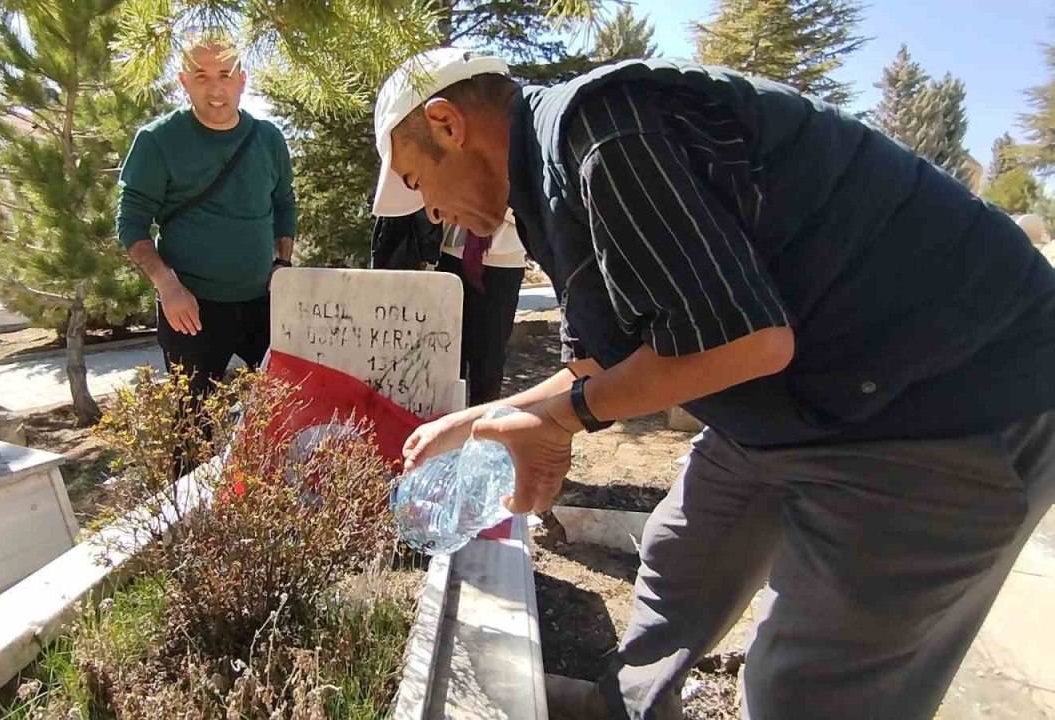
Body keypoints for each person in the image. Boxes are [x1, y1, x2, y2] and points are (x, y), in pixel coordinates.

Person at [370, 48, 1055, 720]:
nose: (429, 214)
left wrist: (563, 420)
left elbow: (742, 341)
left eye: (413, 180)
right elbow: (601, 368)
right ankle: (627, 705)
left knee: (808, 685)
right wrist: (480, 419)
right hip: (806, 393)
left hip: (939, 400)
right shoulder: (550, 188)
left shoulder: (604, 127)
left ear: (447, 125)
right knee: (684, 560)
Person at [117, 32, 296, 399]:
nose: (215, 88)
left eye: (225, 74)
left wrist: (282, 263)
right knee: (191, 426)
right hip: (191, 306)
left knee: (286, 410)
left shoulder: (268, 139)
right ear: (184, 82)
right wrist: (167, 286)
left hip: (262, 302)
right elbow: (131, 222)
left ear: (242, 80)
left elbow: (284, 204)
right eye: (201, 76)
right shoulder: (157, 141)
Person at [437, 214, 526, 405]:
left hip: (505, 257)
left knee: (489, 358)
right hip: (452, 249)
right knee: (448, 350)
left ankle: (480, 427)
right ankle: (444, 424)